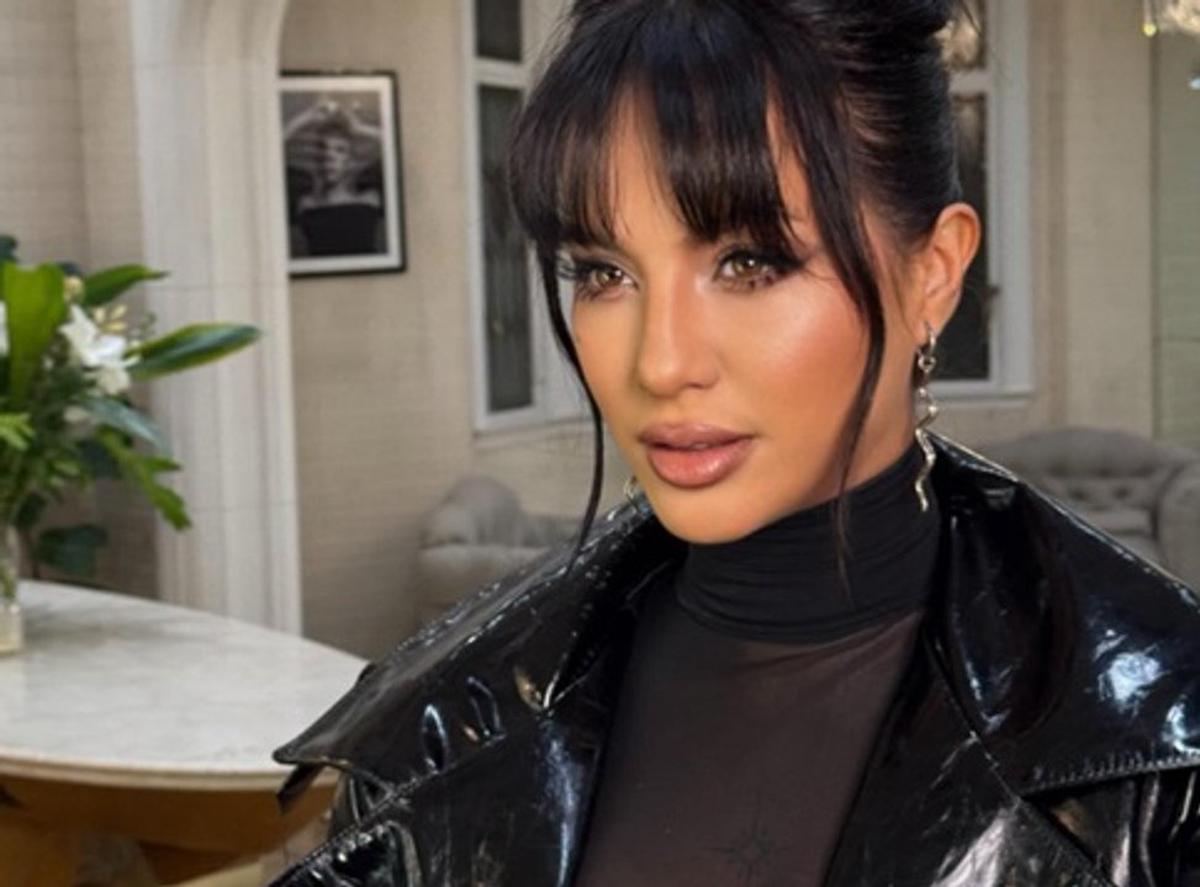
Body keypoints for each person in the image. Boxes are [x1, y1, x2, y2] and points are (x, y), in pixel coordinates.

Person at [267, 1, 1200, 884]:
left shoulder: (1164, 741)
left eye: (748, 262)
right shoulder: (438, 732)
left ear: (934, 271)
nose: (660, 362)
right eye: (603, 272)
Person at [283, 97, 386, 257]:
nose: (329, 156)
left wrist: (358, 128)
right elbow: (265, 162)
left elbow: (401, 147)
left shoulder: (371, 198)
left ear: (351, 160)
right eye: (322, 148)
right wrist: (307, 117)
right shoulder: (304, 203)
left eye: (340, 150)